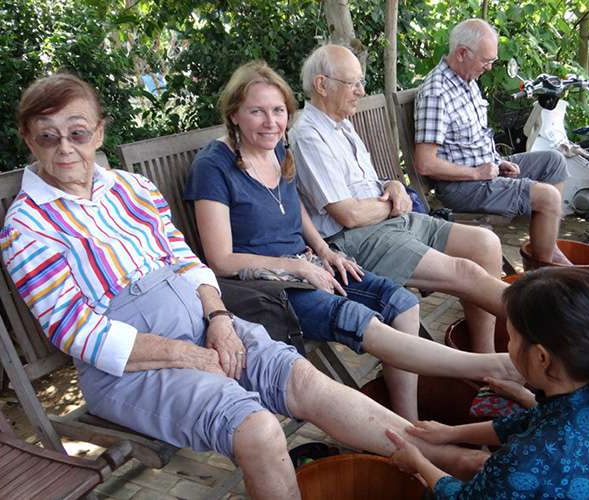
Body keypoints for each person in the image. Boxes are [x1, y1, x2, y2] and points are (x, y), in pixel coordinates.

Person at [0, 73, 489, 500]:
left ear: (98, 131)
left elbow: (186, 261)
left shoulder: (131, 188)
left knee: (305, 381)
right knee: (258, 430)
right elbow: (73, 332)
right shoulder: (27, 227)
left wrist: (217, 320)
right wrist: (190, 355)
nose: (65, 148)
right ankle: (454, 440)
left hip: (208, 323)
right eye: (48, 137)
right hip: (129, 366)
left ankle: (447, 458)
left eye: (78, 132)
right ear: (28, 139)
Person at [184, 60, 520, 421]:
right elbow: (219, 259)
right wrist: (297, 266)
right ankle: (487, 367)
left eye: (278, 110)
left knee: (403, 304)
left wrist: (325, 252)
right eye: (257, 111)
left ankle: (409, 420)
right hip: (265, 289)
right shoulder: (214, 166)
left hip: (308, 265)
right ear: (234, 114)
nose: (271, 122)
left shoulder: (277, 148)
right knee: (365, 321)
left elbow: (294, 208)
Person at [291, 43, 509, 353]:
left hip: (389, 221)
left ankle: (484, 354)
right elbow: (348, 214)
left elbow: (364, 185)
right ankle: (547, 334)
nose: (361, 91)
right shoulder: (309, 135)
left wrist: (392, 184)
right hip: (356, 238)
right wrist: (392, 203)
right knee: (466, 272)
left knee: (485, 244)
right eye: (353, 83)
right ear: (321, 85)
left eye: (360, 83)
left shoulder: (341, 125)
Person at [385, 268, 589, 499]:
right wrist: (451, 434)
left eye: (512, 337)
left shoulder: (530, 458)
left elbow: (466, 497)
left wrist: (419, 462)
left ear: (541, 357)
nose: (509, 345)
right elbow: (532, 419)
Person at [413, 18, 570, 265]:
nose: (488, 67)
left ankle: (546, 249)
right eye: (486, 61)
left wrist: (498, 162)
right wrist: (477, 173)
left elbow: (477, 140)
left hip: (487, 170)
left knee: (554, 161)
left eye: (492, 61)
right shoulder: (436, 92)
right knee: (548, 197)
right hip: (462, 186)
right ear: (462, 53)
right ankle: (545, 269)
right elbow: (425, 164)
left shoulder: (468, 82)